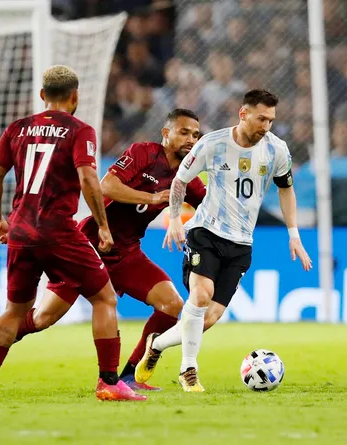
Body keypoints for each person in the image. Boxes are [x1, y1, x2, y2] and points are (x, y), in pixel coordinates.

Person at [0, 109, 212, 392]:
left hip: (126, 254)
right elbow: (107, 186)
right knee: (43, 318)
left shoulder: (187, 177)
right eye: (184, 132)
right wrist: (153, 197)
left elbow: (209, 204)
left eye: (195, 134)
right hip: (88, 246)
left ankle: (130, 375)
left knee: (172, 305)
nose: (191, 139)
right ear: (166, 134)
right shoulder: (143, 153)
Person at [0, 65, 145, 402]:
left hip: (20, 232)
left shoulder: (17, 128)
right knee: (104, 298)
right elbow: (88, 179)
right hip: (59, 232)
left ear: (42, 95)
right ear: (75, 96)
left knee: (15, 311)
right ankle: (108, 381)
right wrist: (103, 226)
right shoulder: (81, 130)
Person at [134, 89, 313, 392]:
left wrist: (293, 234)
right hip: (206, 231)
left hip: (242, 243)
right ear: (243, 114)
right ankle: (188, 370)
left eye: (270, 120)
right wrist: (176, 217)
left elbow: (286, 189)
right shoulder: (213, 143)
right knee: (201, 295)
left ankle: (158, 344)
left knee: (208, 318)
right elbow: (180, 180)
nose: (265, 126)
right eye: (260, 119)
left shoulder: (276, 150)